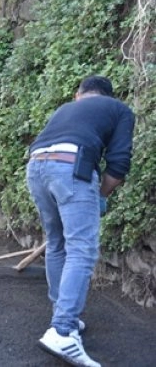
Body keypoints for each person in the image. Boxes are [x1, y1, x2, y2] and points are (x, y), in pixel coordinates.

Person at [26, 75, 134, 367]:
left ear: (78, 94)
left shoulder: (65, 109)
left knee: (57, 243)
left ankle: (63, 316)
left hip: (36, 166)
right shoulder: (119, 109)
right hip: (71, 167)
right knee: (81, 249)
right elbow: (119, 163)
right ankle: (62, 330)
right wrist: (100, 196)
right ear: (109, 96)